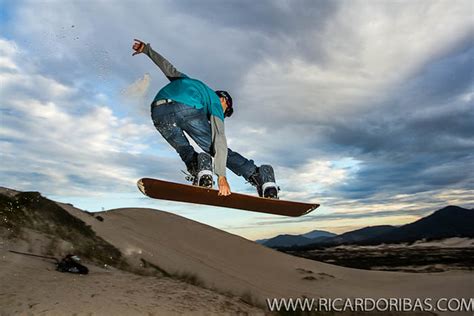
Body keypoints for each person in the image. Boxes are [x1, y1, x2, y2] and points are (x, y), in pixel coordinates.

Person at [132, 39, 279, 198]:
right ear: (224, 101)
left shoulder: (187, 81)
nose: (222, 115)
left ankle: (202, 170)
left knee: (183, 149)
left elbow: (167, 67)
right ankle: (261, 176)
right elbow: (220, 140)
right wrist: (222, 177)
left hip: (158, 111)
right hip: (189, 109)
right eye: (226, 112)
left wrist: (147, 50)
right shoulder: (215, 101)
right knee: (216, 148)